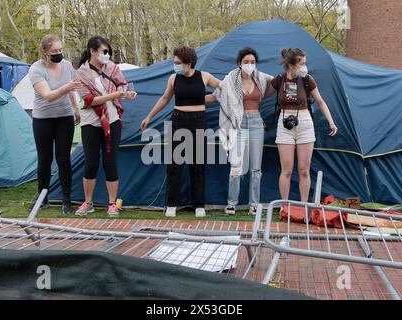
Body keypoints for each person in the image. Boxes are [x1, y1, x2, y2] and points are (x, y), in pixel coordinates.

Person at [140, 46, 220, 217]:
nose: (174, 65)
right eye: (174, 62)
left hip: (198, 121)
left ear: (188, 63)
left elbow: (223, 88)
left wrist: (210, 98)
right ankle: (172, 204)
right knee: (175, 164)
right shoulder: (173, 78)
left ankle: (198, 205)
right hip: (178, 120)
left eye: (177, 63)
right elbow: (164, 99)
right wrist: (149, 117)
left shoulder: (204, 76)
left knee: (198, 164)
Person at [206, 47, 274, 216]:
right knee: (236, 165)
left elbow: (276, 85)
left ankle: (254, 204)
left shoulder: (262, 78)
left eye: (252, 62)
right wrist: (192, 99)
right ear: (239, 63)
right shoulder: (230, 79)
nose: (249, 65)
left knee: (256, 167)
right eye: (246, 62)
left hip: (257, 122)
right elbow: (216, 95)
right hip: (237, 123)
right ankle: (231, 203)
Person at [74, 36, 137, 217]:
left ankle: (112, 203)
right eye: (104, 51)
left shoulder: (113, 68)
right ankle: (88, 202)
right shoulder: (81, 73)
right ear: (92, 52)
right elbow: (89, 101)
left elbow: (122, 87)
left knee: (110, 162)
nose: (107, 55)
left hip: (113, 121)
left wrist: (127, 94)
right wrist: (113, 95)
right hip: (91, 122)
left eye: (108, 52)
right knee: (91, 162)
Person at [267, 48, 338, 202]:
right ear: (292, 65)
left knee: (304, 170)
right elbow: (263, 94)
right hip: (284, 123)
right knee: (286, 170)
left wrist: (331, 122)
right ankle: (285, 205)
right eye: (302, 64)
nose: (305, 67)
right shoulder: (279, 80)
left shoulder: (307, 80)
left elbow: (320, 101)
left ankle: (304, 205)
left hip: (304, 122)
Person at [29, 34, 82, 214]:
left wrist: (75, 108)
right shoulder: (36, 69)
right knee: (45, 159)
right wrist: (67, 87)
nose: (58, 53)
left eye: (60, 50)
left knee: (63, 159)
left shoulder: (66, 65)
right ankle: (42, 198)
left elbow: (72, 89)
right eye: (54, 51)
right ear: (45, 52)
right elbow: (48, 96)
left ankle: (66, 200)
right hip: (43, 119)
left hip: (64, 117)